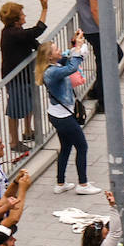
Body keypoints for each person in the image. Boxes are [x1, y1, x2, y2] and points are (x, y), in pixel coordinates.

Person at [35, 34, 98, 195]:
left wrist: (75, 45)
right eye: (56, 49)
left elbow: (67, 56)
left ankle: (60, 182)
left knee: (66, 147)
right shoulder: (52, 73)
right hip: (63, 117)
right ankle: (83, 184)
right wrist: (77, 50)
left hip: (57, 114)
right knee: (82, 146)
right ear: (49, 56)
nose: (60, 50)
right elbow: (72, 67)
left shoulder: (52, 65)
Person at [0, 0, 45, 155]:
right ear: (16, 19)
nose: (24, 16)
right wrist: (44, 10)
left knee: (29, 102)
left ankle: (28, 130)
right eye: (22, 14)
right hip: (16, 78)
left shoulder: (18, 33)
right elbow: (36, 31)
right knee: (15, 109)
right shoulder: (11, 34)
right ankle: (14, 141)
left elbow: (33, 42)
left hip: (25, 76)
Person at [72, 0, 115, 105]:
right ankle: (104, 100)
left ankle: (97, 90)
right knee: (111, 58)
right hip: (96, 29)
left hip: (88, 27)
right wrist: (105, 31)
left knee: (104, 60)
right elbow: (95, 10)